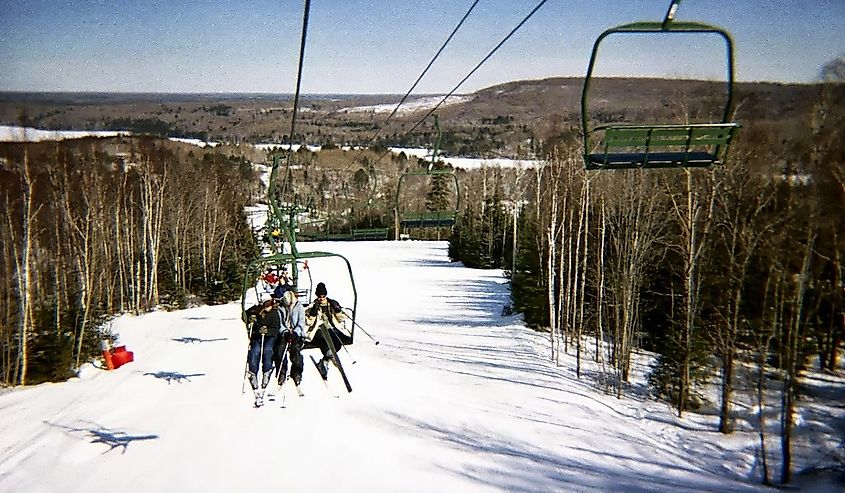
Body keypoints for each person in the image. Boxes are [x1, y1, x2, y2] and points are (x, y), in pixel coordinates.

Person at [244, 298, 283, 406]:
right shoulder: (255, 310)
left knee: (267, 350)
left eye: (268, 305)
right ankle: (253, 372)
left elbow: (276, 328)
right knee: (255, 351)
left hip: (270, 337)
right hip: (257, 336)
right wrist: (250, 320)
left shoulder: (275, 313)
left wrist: (268, 331)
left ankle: (267, 370)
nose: (267, 308)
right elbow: (245, 315)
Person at [304, 282, 346, 380]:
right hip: (318, 329)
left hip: (331, 327)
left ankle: (326, 360)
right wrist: (313, 313)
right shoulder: (313, 305)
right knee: (324, 339)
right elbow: (309, 322)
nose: (322, 298)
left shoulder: (331, 303)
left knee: (337, 341)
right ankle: (330, 356)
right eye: (319, 296)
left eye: (323, 296)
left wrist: (338, 310)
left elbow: (342, 318)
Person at [277, 289, 307, 387]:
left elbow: (302, 322)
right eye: (287, 304)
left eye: (290, 304)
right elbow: (280, 323)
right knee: (280, 349)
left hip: (296, 333)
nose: (288, 306)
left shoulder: (299, 307)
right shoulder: (280, 307)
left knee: (295, 349)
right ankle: (282, 371)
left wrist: (296, 332)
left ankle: (297, 372)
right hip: (285, 333)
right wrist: (284, 332)